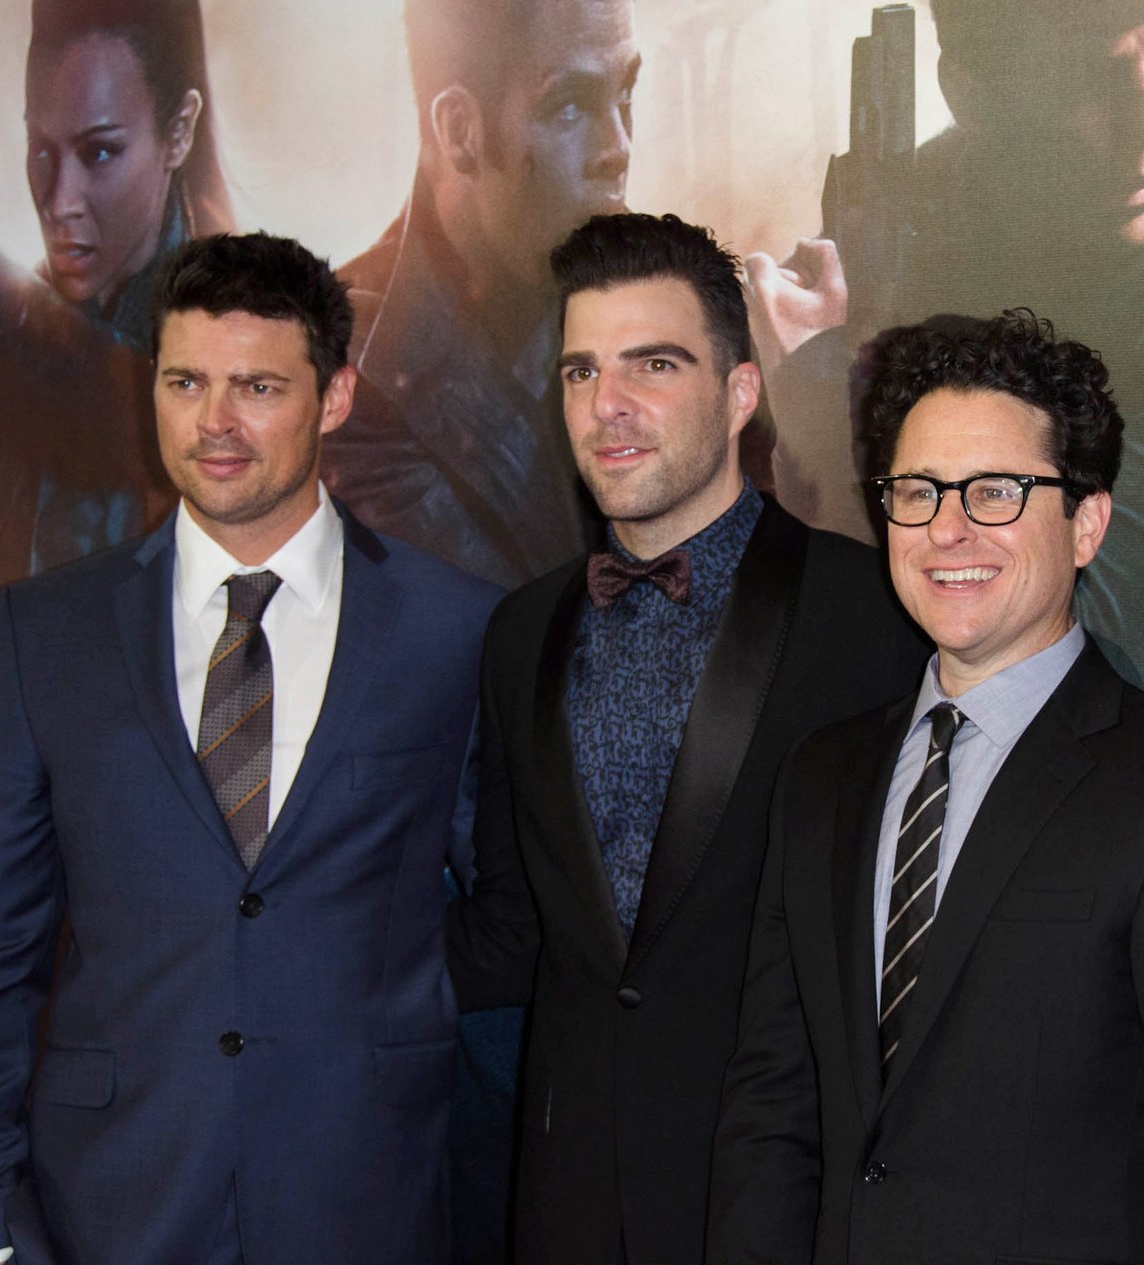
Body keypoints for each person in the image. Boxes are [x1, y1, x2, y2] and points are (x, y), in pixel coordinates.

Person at [0, 232, 500, 1265]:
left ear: (334, 397)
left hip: (371, 1203)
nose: (213, 421)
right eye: (184, 381)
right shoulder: (42, 633)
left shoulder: (454, 630)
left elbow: (512, 930)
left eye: (257, 386)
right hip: (109, 1211)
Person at [707, 310, 1144, 1264]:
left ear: (1088, 524)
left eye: (996, 491)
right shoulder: (822, 778)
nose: (947, 528)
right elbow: (772, 1106)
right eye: (917, 491)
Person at [443, 212, 926, 1265]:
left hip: (784, 1198)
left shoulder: (873, 616)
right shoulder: (519, 632)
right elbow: (512, 928)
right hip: (568, 1199)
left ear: (741, 392)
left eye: (652, 365)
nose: (606, 405)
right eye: (580, 371)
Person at [749, 0, 1144, 789]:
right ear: (973, 97)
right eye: (1088, 76)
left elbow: (1061, 636)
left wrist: (824, 419)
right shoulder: (932, 201)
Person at [0, 0, 233, 686]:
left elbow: (162, 442)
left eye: (99, 151)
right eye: (40, 150)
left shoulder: (255, 319)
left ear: (179, 132)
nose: (58, 198)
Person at [322, 0, 641, 588]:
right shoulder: (347, 377)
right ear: (460, 132)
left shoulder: (649, 302)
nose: (617, 148)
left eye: (624, 95)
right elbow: (506, 633)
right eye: (569, 106)